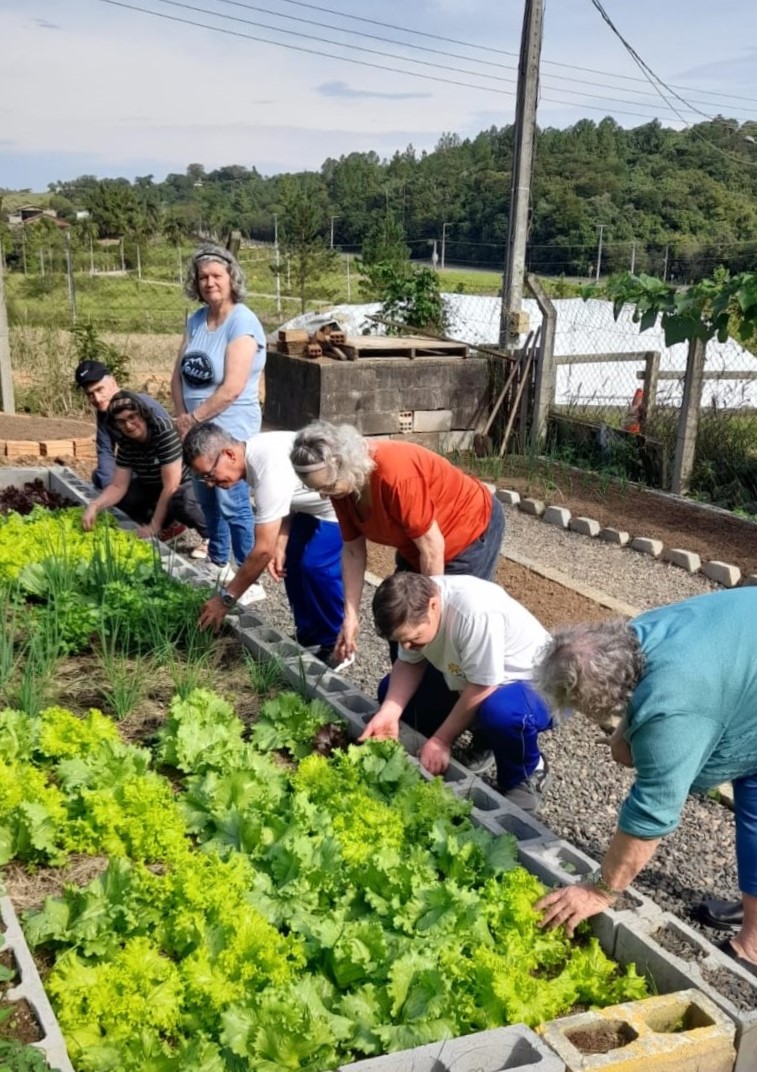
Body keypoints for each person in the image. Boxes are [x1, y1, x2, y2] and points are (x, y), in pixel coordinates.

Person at [533, 589, 757, 979]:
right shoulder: (635, 635)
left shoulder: (675, 706)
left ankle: (753, 945)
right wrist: (627, 733)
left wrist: (600, 889)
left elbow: (653, 812)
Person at [289, 420, 505, 665]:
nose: (322, 495)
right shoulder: (342, 487)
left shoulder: (396, 475)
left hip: (467, 532)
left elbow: (432, 549)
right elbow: (352, 551)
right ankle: (406, 696)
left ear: (345, 464)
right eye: (317, 489)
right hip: (417, 546)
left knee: (445, 627)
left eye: (327, 487)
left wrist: (429, 613)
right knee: (398, 617)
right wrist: (350, 616)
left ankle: (455, 691)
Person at [362, 572, 553, 811]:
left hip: (536, 683)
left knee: (500, 713)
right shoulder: (416, 606)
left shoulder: (474, 613)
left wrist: (442, 739)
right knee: (390, 696)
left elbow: (483, 685)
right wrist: (389, 713)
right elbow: (410, 663)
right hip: (474, 676)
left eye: (414, 639)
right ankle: (484, 737)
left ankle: (528, 771)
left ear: (433, 605)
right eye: (402, 641)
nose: (408, 647)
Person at [183, 422, 348, 664]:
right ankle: (311, 636)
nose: (209, 483)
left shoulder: (266, 468)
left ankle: (337, 644)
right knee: (290, 561)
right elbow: (290, 496)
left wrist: (224, 600)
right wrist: (281, 542)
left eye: (209, 474)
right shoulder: (254, 453)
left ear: (228, 454)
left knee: (315, 565)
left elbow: (261, 551)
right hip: (309, 507)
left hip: (337, 505)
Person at [171, 243, 266, 573]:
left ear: (231, 278)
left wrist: (192, 418)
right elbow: (178, 373)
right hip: (195, 429)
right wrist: (184, 418)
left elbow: (232, 388)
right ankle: (218, 563)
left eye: (216, 275)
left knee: (232, 501)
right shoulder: (197, 320)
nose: (209, 282)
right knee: (207, 498)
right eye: (202, 277)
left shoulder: (242, 321)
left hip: (231, 426)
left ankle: (246, 573)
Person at [81, 390, 207, 543]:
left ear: (143, 414)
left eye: (132, 417)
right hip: (153, 485)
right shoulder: (127, 441)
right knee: (125, 498)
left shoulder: (163, 431)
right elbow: (118, 485)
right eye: (121, 422)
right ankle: (168, 524)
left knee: (183, 501)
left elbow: (171, 486)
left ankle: (211, 537)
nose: (128, 425)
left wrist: (154, 526)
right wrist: (94, 506)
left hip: (184, 485)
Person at [74, 359, 170, 516]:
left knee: (135, 494)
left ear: (113, 382)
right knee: (100, 477)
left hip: (162, 470)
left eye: (99, 389)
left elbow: (171, 450)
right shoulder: (104, 412)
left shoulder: (141, 405)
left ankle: (165, 519)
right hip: (138, 467)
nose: (97, 399)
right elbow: (105, 449)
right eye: (90, 394)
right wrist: (109, 490)